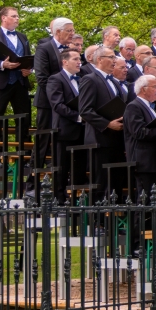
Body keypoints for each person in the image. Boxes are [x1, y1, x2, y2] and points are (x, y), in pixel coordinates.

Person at [0, 7, 33, 167]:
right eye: (14, 16)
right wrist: (2, 64)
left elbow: (28, 58)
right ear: (3, 18)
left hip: (20, 82)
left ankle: (25, 157)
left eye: (18, 16)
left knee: (24, 119)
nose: (17, 18)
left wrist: (28, 69)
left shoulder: (23, 37)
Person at [78, 46, 127, 201]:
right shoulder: (90, 79)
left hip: (117, 139)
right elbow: (85, 110)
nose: (114, 61)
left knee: (116, 182)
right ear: (99, 59)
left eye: (114, 57)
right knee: (101, 182)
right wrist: (107, 124)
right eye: (111, 57)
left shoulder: (115, 82)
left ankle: (114, 213)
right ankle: (98, 215)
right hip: (99, 139)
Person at [34, 17, 74, 174]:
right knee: (43, 140)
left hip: (65, 104)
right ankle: (32, 180)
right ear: (58, 32)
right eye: (69, 31)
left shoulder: (70, 50)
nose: (72, 34)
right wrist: (57, 97)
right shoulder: (44, 48)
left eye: (73, 30)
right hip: (47, 103)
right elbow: (42, 78)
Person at [46, 50, 85, 205]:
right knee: (61, 168)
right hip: (64, 131)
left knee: (80, 168)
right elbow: (57, 105)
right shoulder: (55, 79)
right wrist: (78, 117)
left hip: (82, 131)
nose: (79, 62)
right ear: (65, 62)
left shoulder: (81, 80)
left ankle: (77, 202)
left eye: (79, 59)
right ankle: (59, 201)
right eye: (75, 59)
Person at [123, 75, 156, 204]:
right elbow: (139, 132)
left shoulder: (152, 107)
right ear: (143, 89)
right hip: (145, 162)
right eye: (155, 87)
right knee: (145, 199)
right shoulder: (134, 107)